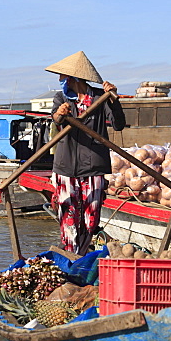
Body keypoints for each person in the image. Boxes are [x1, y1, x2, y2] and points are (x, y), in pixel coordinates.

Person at [47, 51, 126, 255]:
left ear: (73, 79)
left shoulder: (100, 97)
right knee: (68, 217)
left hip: (93, 166)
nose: (60, 80)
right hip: (66, 166)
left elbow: (118, 125)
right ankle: (72, 256)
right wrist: (60, 113)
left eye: (62, 77)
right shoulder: (61, 98)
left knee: (91, 218)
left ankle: (80, 254)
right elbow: (55, 120)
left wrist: (113, 100)